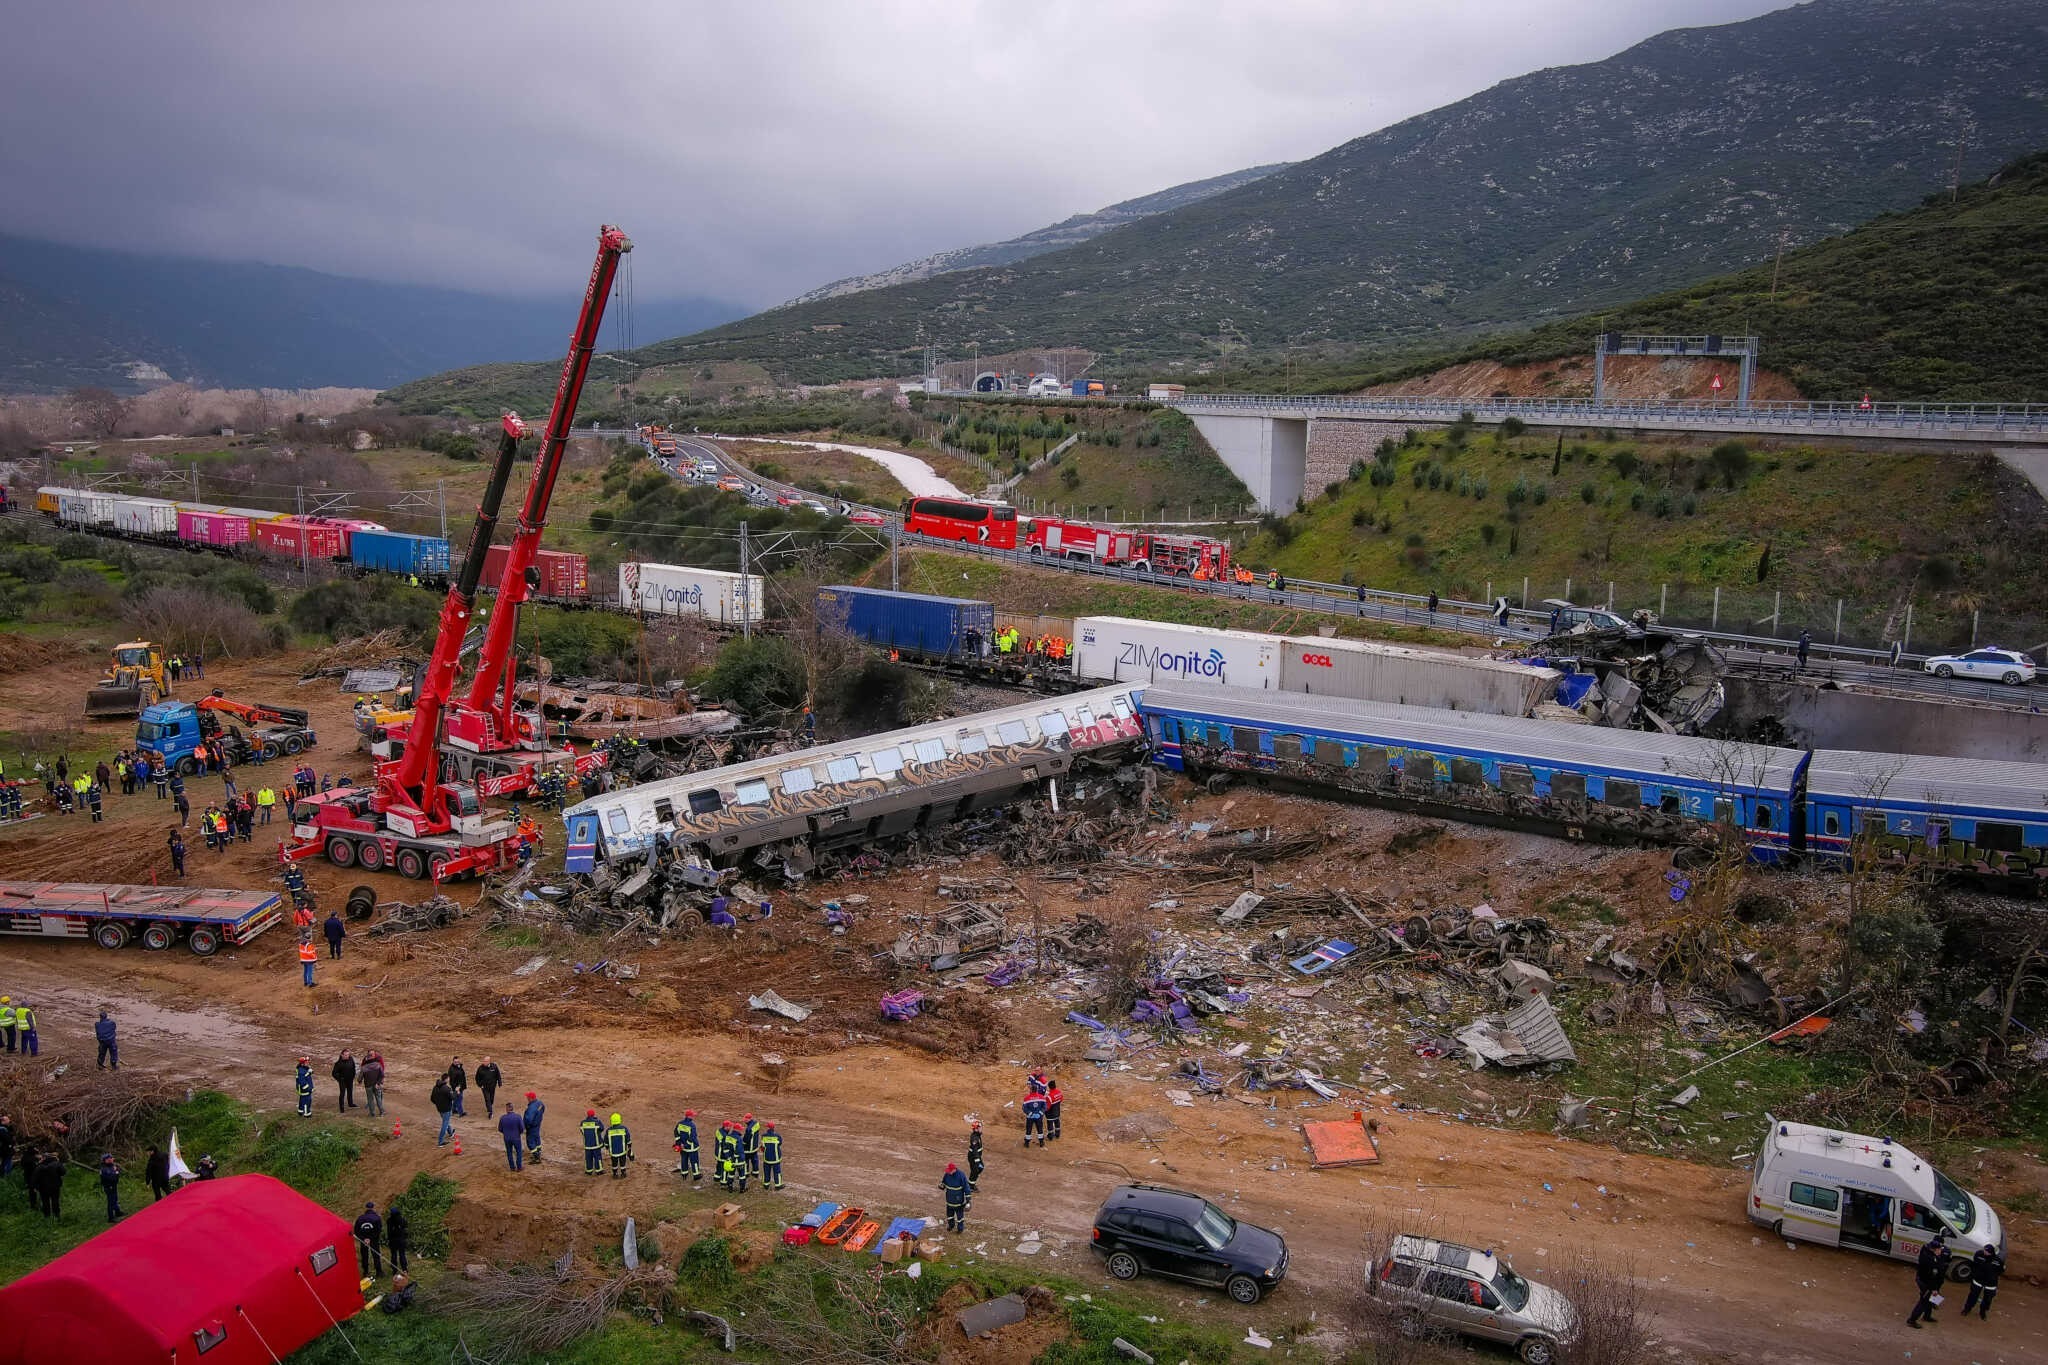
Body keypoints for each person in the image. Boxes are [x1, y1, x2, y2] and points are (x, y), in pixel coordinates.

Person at [1908, 1229, 1950, 1327]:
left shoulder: (1926, 1249)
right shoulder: (1932, 1262)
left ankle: (1927, 1315)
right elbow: (1932, 1277)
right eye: (1939, 1249)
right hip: (1927, 1284)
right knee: (1924, 1301)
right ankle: (1912, 1320)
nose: (1941, 1250)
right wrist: (1934, 1289)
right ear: (1934, 1249)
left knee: (1930, 1299)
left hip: (1923, 1279)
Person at [1964, 1242, 2004, 1319]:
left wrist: (1992, 1277)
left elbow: (2000, 1271)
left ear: (1990, 1252)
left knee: (1987, 1299)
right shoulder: (1979, 1255)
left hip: (1990, 1284)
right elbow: (1974, 1264)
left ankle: (1983, 1312)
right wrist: (1975, 1274)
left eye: (1986, 1251)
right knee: (1972, 1296)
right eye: (1984, 1250)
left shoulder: (1998, 1261)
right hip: (1978, 1281)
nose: (1984, 1252)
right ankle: (1967, 1309)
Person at [353, 1201, 385, 1278]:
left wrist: (364, 1238)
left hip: (363, 1240)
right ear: (373, 1208)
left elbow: (356, 1230)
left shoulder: (360, 1218)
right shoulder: (377, 1218)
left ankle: (365, 1272)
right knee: (376, 1255)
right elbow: (378, 1230)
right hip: (374, 1240)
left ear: (366, 1208)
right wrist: (370, 1239)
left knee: (364, 1256)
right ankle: (379, 1272)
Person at [941, 1162, 971, 1232]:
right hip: (949, 1200)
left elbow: (966, 1188)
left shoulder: (961, 1175)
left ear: (954, 1169)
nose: (949, 1172)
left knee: (959, 1217)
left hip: (958, 1202)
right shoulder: (947, 1174)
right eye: (948, 1171)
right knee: (949, 1216)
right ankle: (951, 1225)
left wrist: (968, 1200)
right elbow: (944, 1182)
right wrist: (942, 1186)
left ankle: (960, 1229)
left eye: (950, 1171)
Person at [497, 1102, 527, 1172]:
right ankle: (519, 1167)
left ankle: (512, 1167)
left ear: (507, 1109)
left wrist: (506, 1133)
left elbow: (500, 1129)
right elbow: (522, 1128)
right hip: (516, 1137)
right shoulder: (518, 1117)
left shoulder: (503, 1118)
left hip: (507, 1138)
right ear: (512, 1108)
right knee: (519, 1152)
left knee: (509, 1152)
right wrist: (518, 1133)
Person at [674, 1110, 701, 1182]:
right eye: (692, 1115)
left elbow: (676, 1133)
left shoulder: (680, 1124)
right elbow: (693, 1137)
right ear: (689, 1116)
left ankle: (684, 1174)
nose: (693, 1116)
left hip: (682, 1148)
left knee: (684, 1160)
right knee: (694, 1161)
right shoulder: (692, 1125)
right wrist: (686, 1145)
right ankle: (696, 1175)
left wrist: (679, 1143)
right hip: (692, 1148)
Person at [386, 1200, 411, 1274]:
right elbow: (406, 1226)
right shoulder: (402, 1219)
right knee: (402, 1254)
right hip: (401, 1239)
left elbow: (389, 1231)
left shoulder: (389, 1221)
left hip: (393, 1240)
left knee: (393, 1254)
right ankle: (404, 1269)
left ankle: (394, 1269)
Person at [605, 1112, 633, 1179]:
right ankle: (623, 1173)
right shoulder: (624, 1129)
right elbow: (628, 1138)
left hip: (613, 1152)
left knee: (614, 1163)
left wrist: (607, 1147)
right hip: (622, 1151)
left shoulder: (609, 1130)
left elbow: (606, 1140)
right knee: (622, 1162)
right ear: (619, 1120)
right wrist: (629, 1146)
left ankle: (615, 1174)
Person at [99, 1153, 124, 1223]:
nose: (111, 1160)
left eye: (111, 1158)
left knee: (115, 1199)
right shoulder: (104, 1169)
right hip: (109, 1187)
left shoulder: (112, 1166)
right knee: (111, 1201)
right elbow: (110, 1178)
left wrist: (116, 1172)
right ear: (105, 1160)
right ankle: (111, 1217)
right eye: (109, 1159)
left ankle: (117, 1212)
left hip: (114, 1185)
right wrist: (116, 1173)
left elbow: (117, 1174)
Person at [431, 1074, 454, 1146]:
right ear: (447, 1079)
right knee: (445, 1123)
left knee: (445, 1121)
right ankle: (440, 1141)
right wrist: (456, 1092)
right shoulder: (447, 1088)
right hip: (446, 1108)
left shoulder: (435, 1087)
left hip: (439, 1108)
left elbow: (432, 1099)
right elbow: (453, 1097)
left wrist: (438, 1103)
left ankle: (450, 1132)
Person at [361, 1051, 386, 1117]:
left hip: (368, 1085)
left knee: (370, 1099)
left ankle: (372, 1113)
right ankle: (382, 1112)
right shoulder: (378, 1065)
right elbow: (382, 1075)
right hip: (377, 1085)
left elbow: (359, 1078)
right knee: (378, 1099)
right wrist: (378, 1083)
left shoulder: (364, 1067)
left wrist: (360, 1081)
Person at [581, 1109, 605, 1176]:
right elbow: (602, 1128)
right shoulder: (597, 1121)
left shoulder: (583, 1123)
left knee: (588, 1158)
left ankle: (588, 1171)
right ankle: (599, 1171)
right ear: (593, 1114)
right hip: (596, 1144)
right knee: (597, 1157)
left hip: (587, 1145)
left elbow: (582, 1131)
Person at [522, 1091, 544, 1161]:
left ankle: (536, 1157)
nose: (527, 1098)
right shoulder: (540, 1103)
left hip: (531, 1127)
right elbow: (543, 1109)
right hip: (537, 1124)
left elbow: (528, 1120)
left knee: (530, 1142)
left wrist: (526, 1127)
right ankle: (539, 1151)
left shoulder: (531, 1108)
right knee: (537, 1138)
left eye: (528, 1097)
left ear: (531, 1098)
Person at [742, 1113, 763, 1179]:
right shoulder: (756, 1124)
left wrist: (742, 1143)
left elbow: (746, 1139)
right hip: (754, 1147)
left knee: (745, 1161)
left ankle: (745, 1173)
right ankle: (755, 1173)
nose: (744, 1120)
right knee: (755, 1160)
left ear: (749, 1119)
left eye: (746, 1119)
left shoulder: (749, 1129)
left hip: (748, 1148)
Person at [966, 1120, 984, 1190]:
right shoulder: (975, 1138)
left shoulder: (977, 1135)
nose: (981, 1129)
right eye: (980, 1127)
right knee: (975, 1171)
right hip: (973, 1157)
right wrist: (977, 1160)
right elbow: (975, 1150)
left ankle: (972, 1182)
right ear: (976, 1129)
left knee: (980, 1168)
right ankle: (970, 1186)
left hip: (977, 1157)